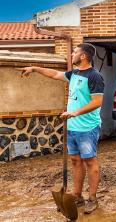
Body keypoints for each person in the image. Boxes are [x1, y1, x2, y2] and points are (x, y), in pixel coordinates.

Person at [17, 43, 104, 214]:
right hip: (72, 126)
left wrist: (75, 112)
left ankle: (92, 199)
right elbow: (55, 74)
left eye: (75, 52)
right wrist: (34, 68)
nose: (71, 55)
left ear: (83, 56)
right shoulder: (75, 73)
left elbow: (97, 102)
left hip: (87, 126)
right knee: (75, 161)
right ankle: (77, 197)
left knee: (90, 161)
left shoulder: (94, 76)